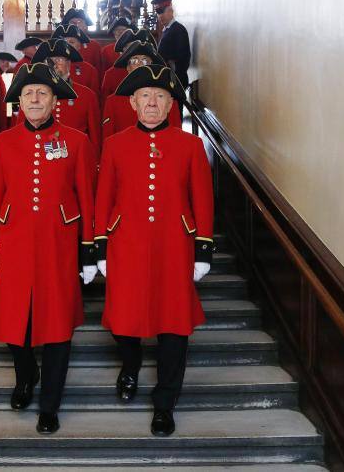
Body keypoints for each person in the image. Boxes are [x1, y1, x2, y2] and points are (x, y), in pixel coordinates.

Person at [93, 64, 214, 437]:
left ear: (170, 106)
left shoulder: (191, 145)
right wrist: (100, 246)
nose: (152, 103)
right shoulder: (115, 144)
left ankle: (165, 403)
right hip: (125, 244)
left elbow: (203, 201)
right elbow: (103, 198)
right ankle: (130, 367)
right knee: (124, 320)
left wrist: (203, 250)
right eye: (145, 96)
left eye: (160, 97)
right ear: (132, 102)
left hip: (175, 247)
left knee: (174, 326)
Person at [0, 63, 98, 434]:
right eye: (28, 93)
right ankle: (25, 377)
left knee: (56, 327)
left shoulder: (77, 141)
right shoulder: (2, 143)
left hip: (60, 246)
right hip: (15, 243)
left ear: (54, 100)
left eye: (42, 93)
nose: (34, 99)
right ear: (19, 101)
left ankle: (50, 405)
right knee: (14, 324)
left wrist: (88, 251)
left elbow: (87, 196)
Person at [14, 39, 102, 155]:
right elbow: (20, 131)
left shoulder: (87, 95)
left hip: (75, 157)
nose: (53, 64)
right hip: (38, 157)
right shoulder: (30, 95)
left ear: (69, 63)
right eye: (48, 60)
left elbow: (95, 138)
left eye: (59, 59)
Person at [101, 41, 181, 146]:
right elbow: (108, 139)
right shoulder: (113, 101)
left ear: (152, 66)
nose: (139, 64)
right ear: (128, 68)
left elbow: (177, 136)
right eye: (134, 60)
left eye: (144, 60)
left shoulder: (168, 99)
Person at [100, 28, 156, 104]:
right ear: (123, 50)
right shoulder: (111, 74)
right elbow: (104, 103)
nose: (135, 50)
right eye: (131, 48)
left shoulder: (158, 74)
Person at [153, 0, 191, 96]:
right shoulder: (168, 30)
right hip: (167, 81)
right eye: (158, 13)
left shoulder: (178, 30)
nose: (160, 16)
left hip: (174, 82)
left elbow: (183, 59)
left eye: (162, 12)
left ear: (170, 11)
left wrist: (173, 80)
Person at [51, 24, 101, 96]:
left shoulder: (90, 70)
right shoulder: (48, 67)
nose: (66, 44)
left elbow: (94, 99)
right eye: (63, 41)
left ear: (79, 46)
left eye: (71, 42)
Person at [61, 7, 103, 74]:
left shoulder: (94, 46)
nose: (76, 25)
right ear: (66, 26)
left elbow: (99, 71)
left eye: (80, 22)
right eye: (72, 22)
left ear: (86, 26)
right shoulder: (60, 45)